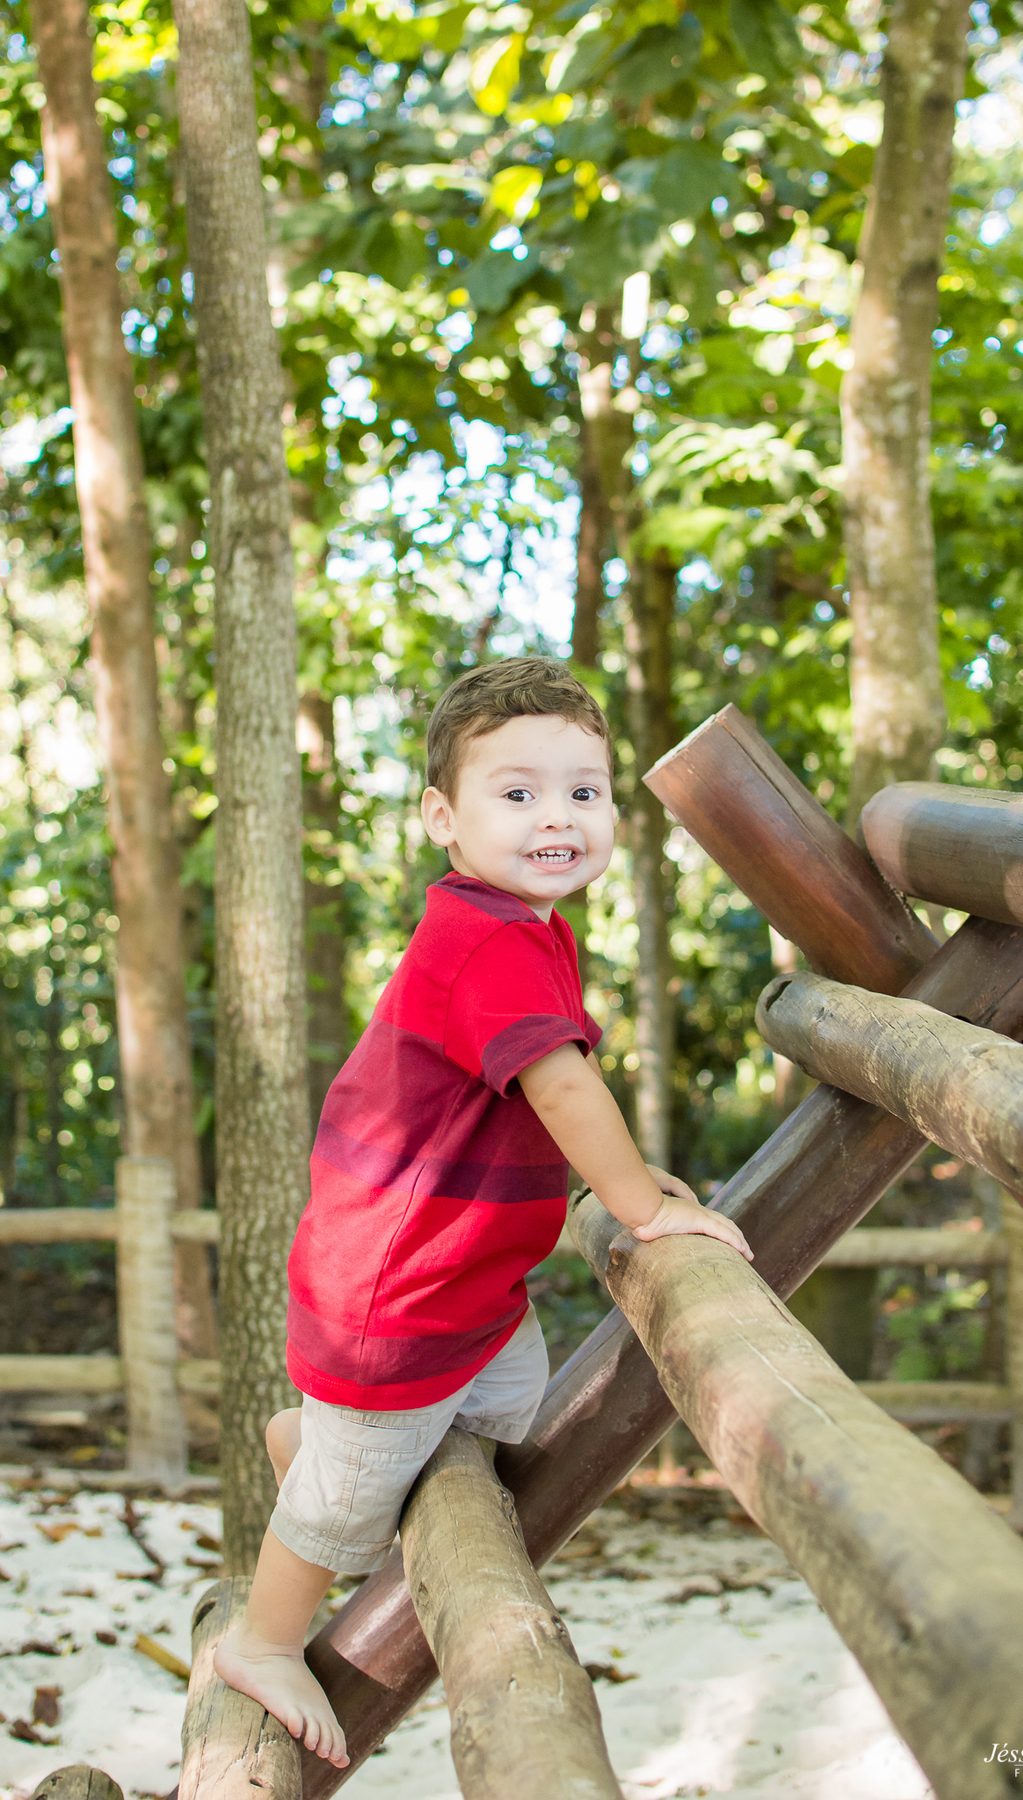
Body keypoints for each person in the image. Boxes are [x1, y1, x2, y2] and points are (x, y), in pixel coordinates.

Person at [214, 656, 752, 1764]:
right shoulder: (487, 941)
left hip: (470, 1289)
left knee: (507, 1412)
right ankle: (263, 1639)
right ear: (441, 818)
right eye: (517, 793)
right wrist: (643, 1208)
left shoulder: (525, 926)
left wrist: (635, 1190)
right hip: (397, 1298)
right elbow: (560, 1084)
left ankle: (309, 1441)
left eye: (583, 792)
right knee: (350, 1516)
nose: (558, 816)